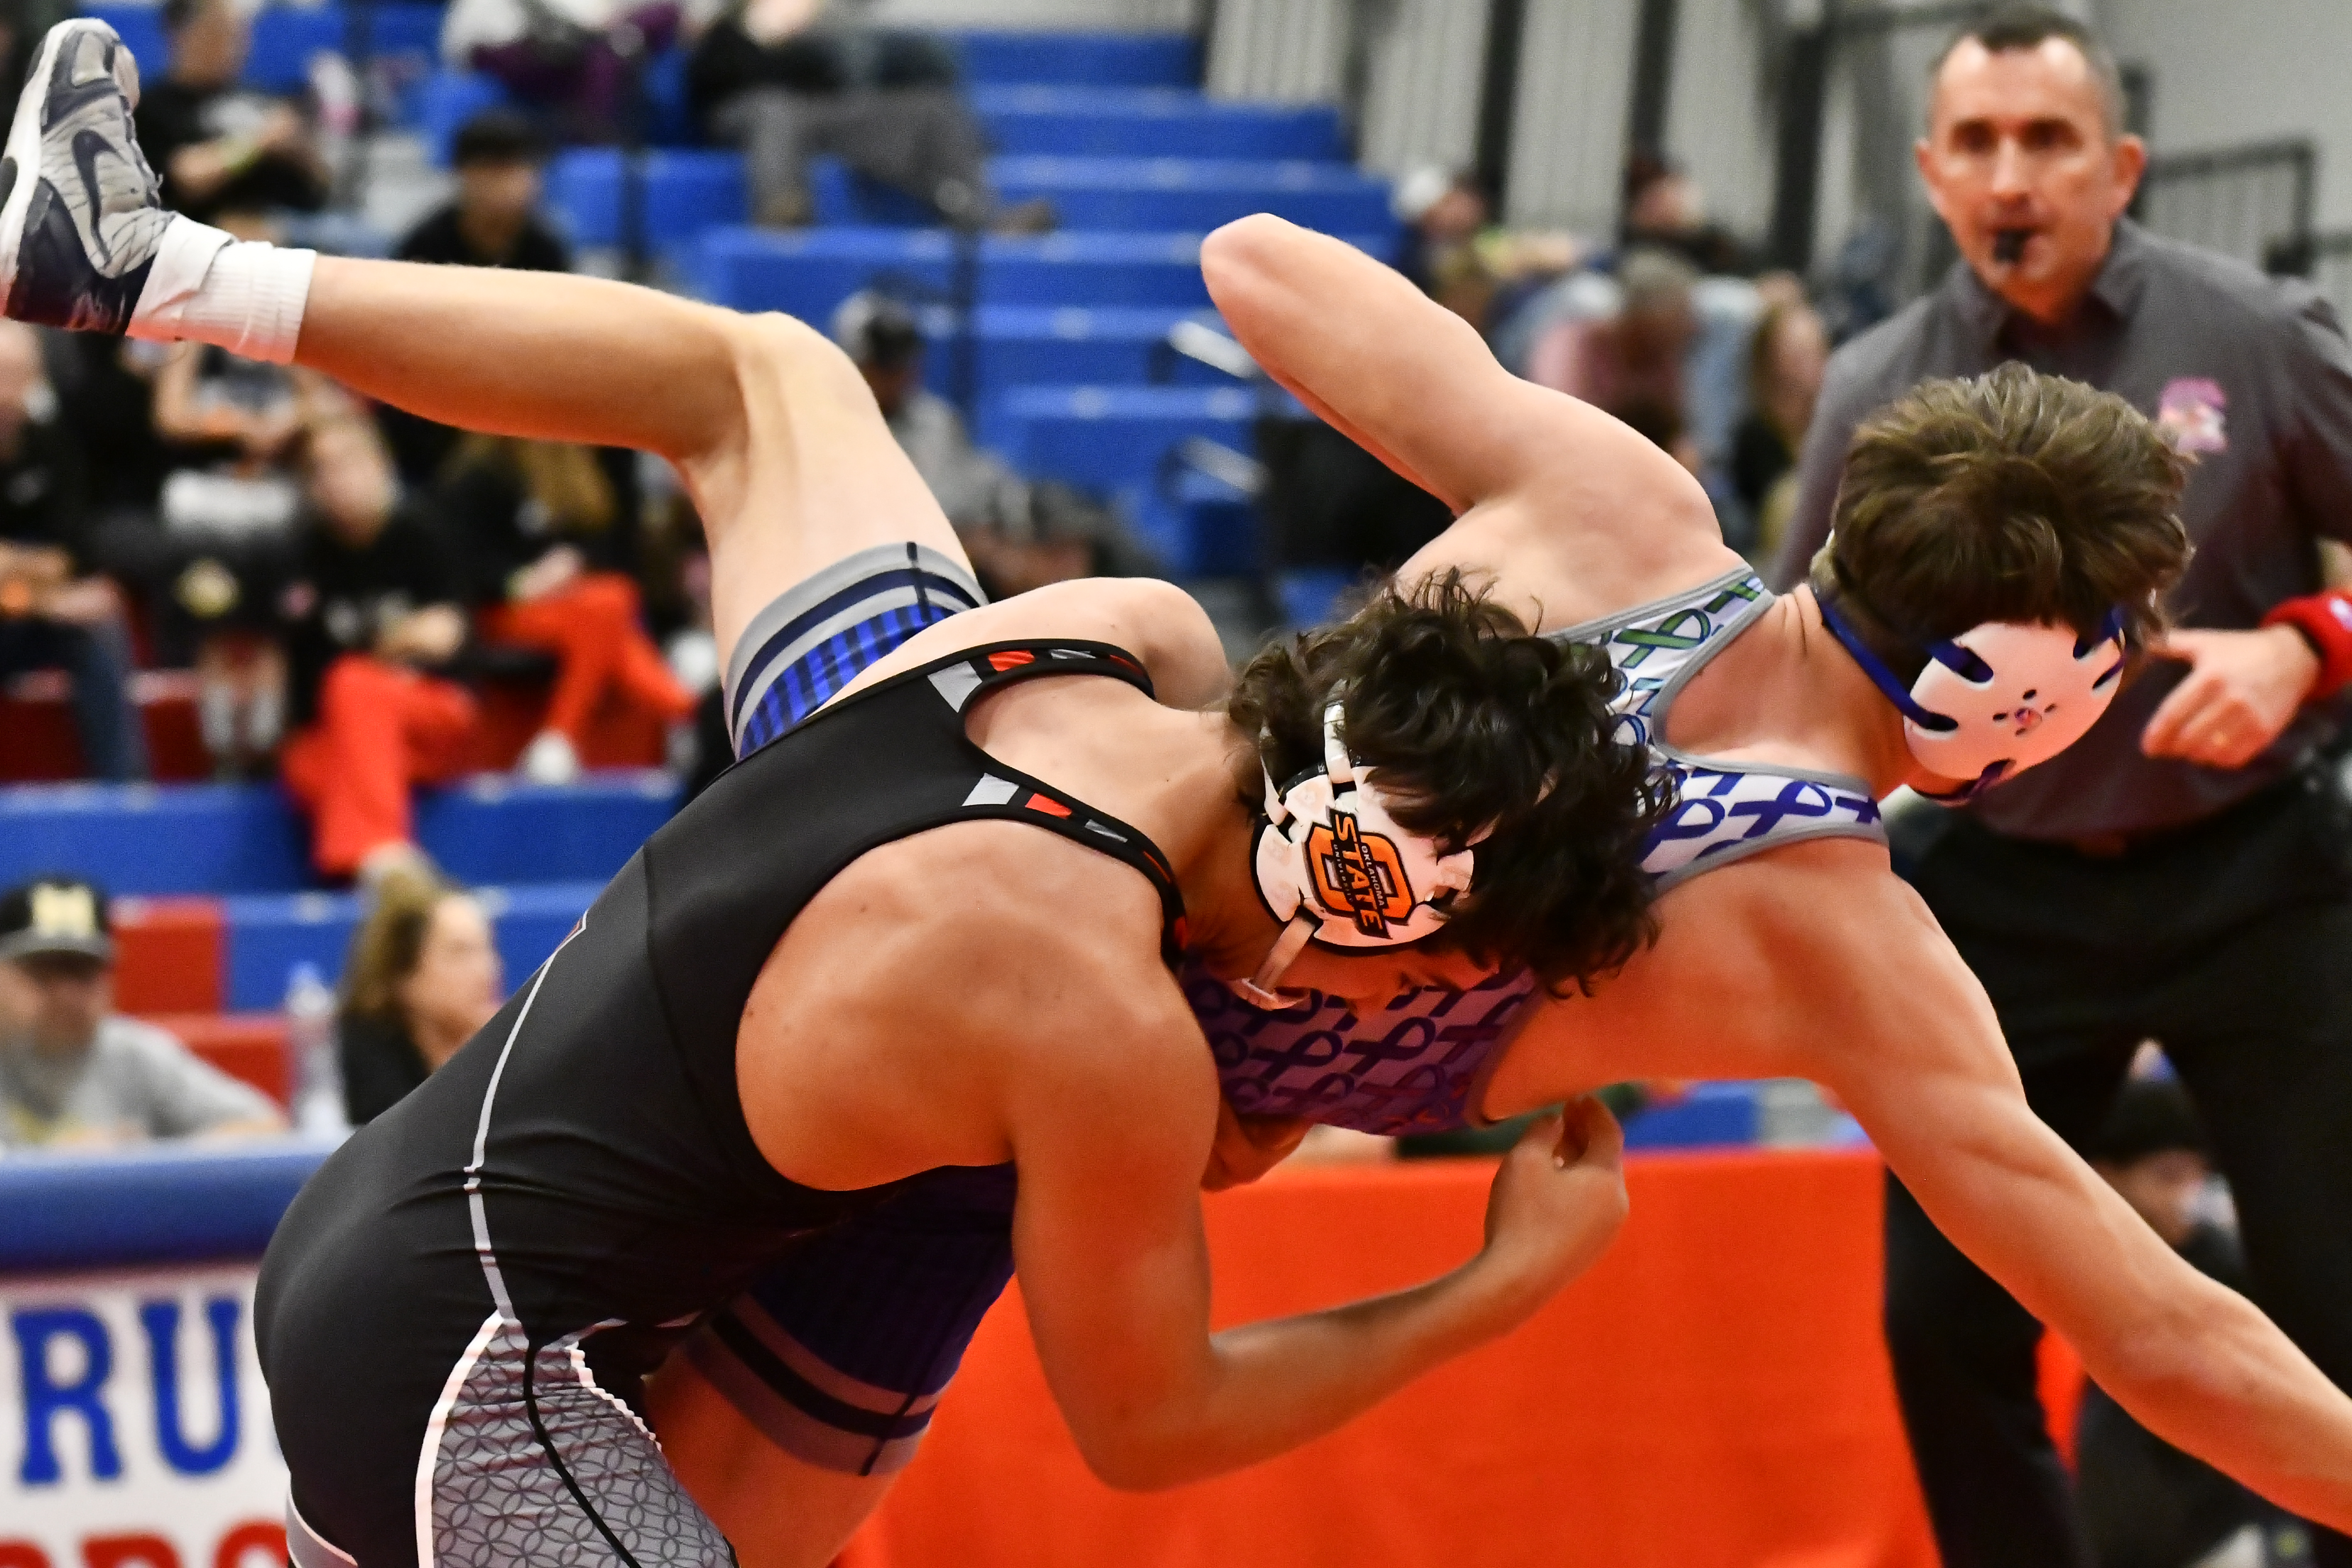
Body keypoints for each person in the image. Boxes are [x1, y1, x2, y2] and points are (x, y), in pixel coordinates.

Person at [0, 21, 1659, 1565]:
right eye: (1416, 970)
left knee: (765, 381)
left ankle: (163, 267)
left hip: (386, 1253)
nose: (1383, 1018)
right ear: (1358, 873)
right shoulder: (1098, 1027)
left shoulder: (1089, 643)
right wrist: (1493, 1283)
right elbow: (1157, 1421)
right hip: (472, 1391)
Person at [1764, 10, 2352, 1564]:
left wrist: (2310, 644)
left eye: (2048, 139)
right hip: (1997, 888)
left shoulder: (2259, 335)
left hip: (2258, 867)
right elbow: (1789, 661)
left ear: (2122, 165)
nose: (2011, 173)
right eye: (1977, 142)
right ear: (1929, 172)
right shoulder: (1876, 386)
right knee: (1940, 1325)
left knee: (2340, 1300)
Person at [829, 291, 1157, 597]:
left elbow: (975, 476)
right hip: (940, 553)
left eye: (905, 366)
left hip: (997, 516)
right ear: (852, 364)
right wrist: (985, 548)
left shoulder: (933, 415)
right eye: (885, 369)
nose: (901, 377)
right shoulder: (837, 432)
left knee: (1099, 533)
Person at [2076, 1075, 2273, 1568]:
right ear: (2105, 1176)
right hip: (2118, 1528)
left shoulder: (2219, 1265)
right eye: (2167, 1177)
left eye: (2195, 1178)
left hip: (2212, 1528)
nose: (2186, 1197)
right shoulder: (2086, 1265)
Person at [274, 417, 477, 881]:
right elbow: (305, 676)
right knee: (305, 764)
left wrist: (376, 659)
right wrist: (398, 644)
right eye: (320, 470)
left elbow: (447, 636)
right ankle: (376, 856)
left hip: (435, 714)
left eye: (347, 464)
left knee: (354, 683)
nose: (335, 480)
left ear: (381, 466)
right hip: (358, 734)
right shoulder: (306, 553)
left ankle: (381, 858)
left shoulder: (425, 531)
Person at [437, 431, 694, 783]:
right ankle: (686, 714)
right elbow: (462, 565)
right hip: (498, 611)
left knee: (612, 603)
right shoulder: (479, 477)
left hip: (570, 609)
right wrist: (521, 582)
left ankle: (686, 716)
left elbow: (602, 546)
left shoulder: (572, 468)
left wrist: (571, 567)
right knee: (611, 606)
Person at [686, 0, 1052, 231]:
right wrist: (765, 37)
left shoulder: (825, 33)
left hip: (819, 115)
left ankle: (976, 211)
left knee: (929, 108)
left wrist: (810, 38)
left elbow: (854, 81)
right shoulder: (726, 32)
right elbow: (712, 82)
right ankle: (782, 210)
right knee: (775, 109)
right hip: (748, 114)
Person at [0, 875, 283, 1149]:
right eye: (43, 975)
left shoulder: (132, 1054)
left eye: (84, 975)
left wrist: (152, 1162)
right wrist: (55, 1166)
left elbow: (266, 1128)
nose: (68, 996)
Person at [0, 320, 150, 780]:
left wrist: (18, 574)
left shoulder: (52, 444)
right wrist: (39, 590)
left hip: (31, 615)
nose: (10, 391)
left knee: (100, 624)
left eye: (21, 375)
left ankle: (126, 797)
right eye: (2, 374)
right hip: (29, 608)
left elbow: (68, 556)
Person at [133, 0, 328, 231]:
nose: (234, 45)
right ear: (182, 35)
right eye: (220, 31)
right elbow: (188, 177)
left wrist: (300, 152)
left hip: (297, 223)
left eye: (239, 34)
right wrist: (261, 142)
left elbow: (320, 184)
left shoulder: (260, 97)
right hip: (206, 231)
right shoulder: (154, 106)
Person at [336, 868, 503, 1126]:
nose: (487, 971)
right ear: (403, 975)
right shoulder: (365, 1069)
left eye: (488, 949)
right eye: (460, 953)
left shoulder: (513, 1054)